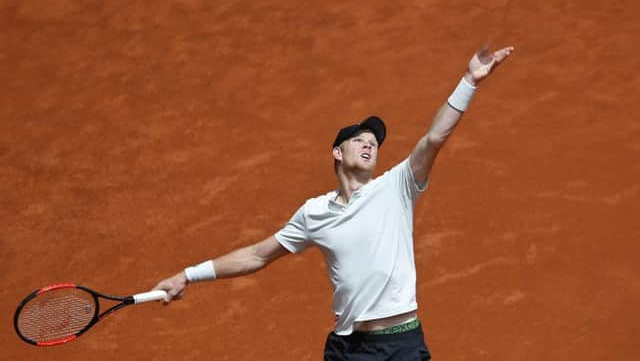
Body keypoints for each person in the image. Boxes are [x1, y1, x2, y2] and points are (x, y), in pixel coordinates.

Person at [151, 45, 515, 360]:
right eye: (360, 139)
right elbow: (257, 256)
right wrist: (187, 274)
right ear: (338, 153)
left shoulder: (397, 186)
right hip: (348, 348)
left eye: (374, 141)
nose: (370, 143)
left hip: (400, 344)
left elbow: (435, 137)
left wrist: (469, 82)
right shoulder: (314, 213)